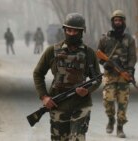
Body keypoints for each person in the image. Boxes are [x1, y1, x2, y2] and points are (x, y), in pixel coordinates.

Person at [33, 13, 101, 141]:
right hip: (58, 104)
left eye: (75, 31)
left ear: (81, 32)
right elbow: (38, 73)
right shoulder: (52, 51)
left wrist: (87, 90)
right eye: (68, 30)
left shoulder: (89, 53)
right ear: (64, 30)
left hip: (81, 105)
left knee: (77, 138)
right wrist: (44, 96)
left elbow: (97, 79)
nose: (71, 33)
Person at [97, 10, 137, 138]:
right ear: (112, 22)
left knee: (122, 102)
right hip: (109, 75)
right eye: (115, 20)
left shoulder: (129, 39)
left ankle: (120, 127)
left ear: (123, 22)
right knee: (108, 100)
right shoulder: (105, 38)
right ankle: (110, 119)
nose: (118, 22)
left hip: (124, 75)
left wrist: (130, 71)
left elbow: (132, 57)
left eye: (120, 20)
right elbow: (98, 55)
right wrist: (104, 63)